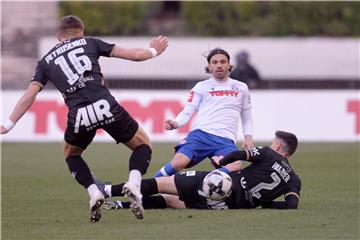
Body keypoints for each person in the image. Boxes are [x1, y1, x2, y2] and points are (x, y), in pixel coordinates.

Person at [0, 15, 168, 222]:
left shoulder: (45, 61)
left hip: (79, 114)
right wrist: (153, 51)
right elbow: (133, 56)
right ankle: (133, 182)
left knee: (72, 154)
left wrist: (8, 124)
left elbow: (30, 93)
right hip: (105, 105)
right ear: (82, 31)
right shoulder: (91, 42)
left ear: (58, 36)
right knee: (143, 144)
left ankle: (93, 191)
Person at [102, 130, 301, 210]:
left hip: (220, 183)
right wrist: (265, 204)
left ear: (277, 147)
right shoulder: (294, 179)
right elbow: (292, 205)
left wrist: (222, 162)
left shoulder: (268, 153)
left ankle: (105, 192)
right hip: (230, 206)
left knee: (161, 184)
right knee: (172, 201)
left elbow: (239, 155)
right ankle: (120, 205)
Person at [153, 48, 254, 178]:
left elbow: (246, 114)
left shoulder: (241, 87)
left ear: (229, 65)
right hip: (201, 135)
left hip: (226, 140)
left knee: (235, 165)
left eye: (223, 62)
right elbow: (188, 110)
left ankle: (208, 184)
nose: (219, 65)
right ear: (209, 66)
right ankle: (145, 189)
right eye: (215, 62)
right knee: (179, 162)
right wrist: (176, 123)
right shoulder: (201, 86)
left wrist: (248, 136)